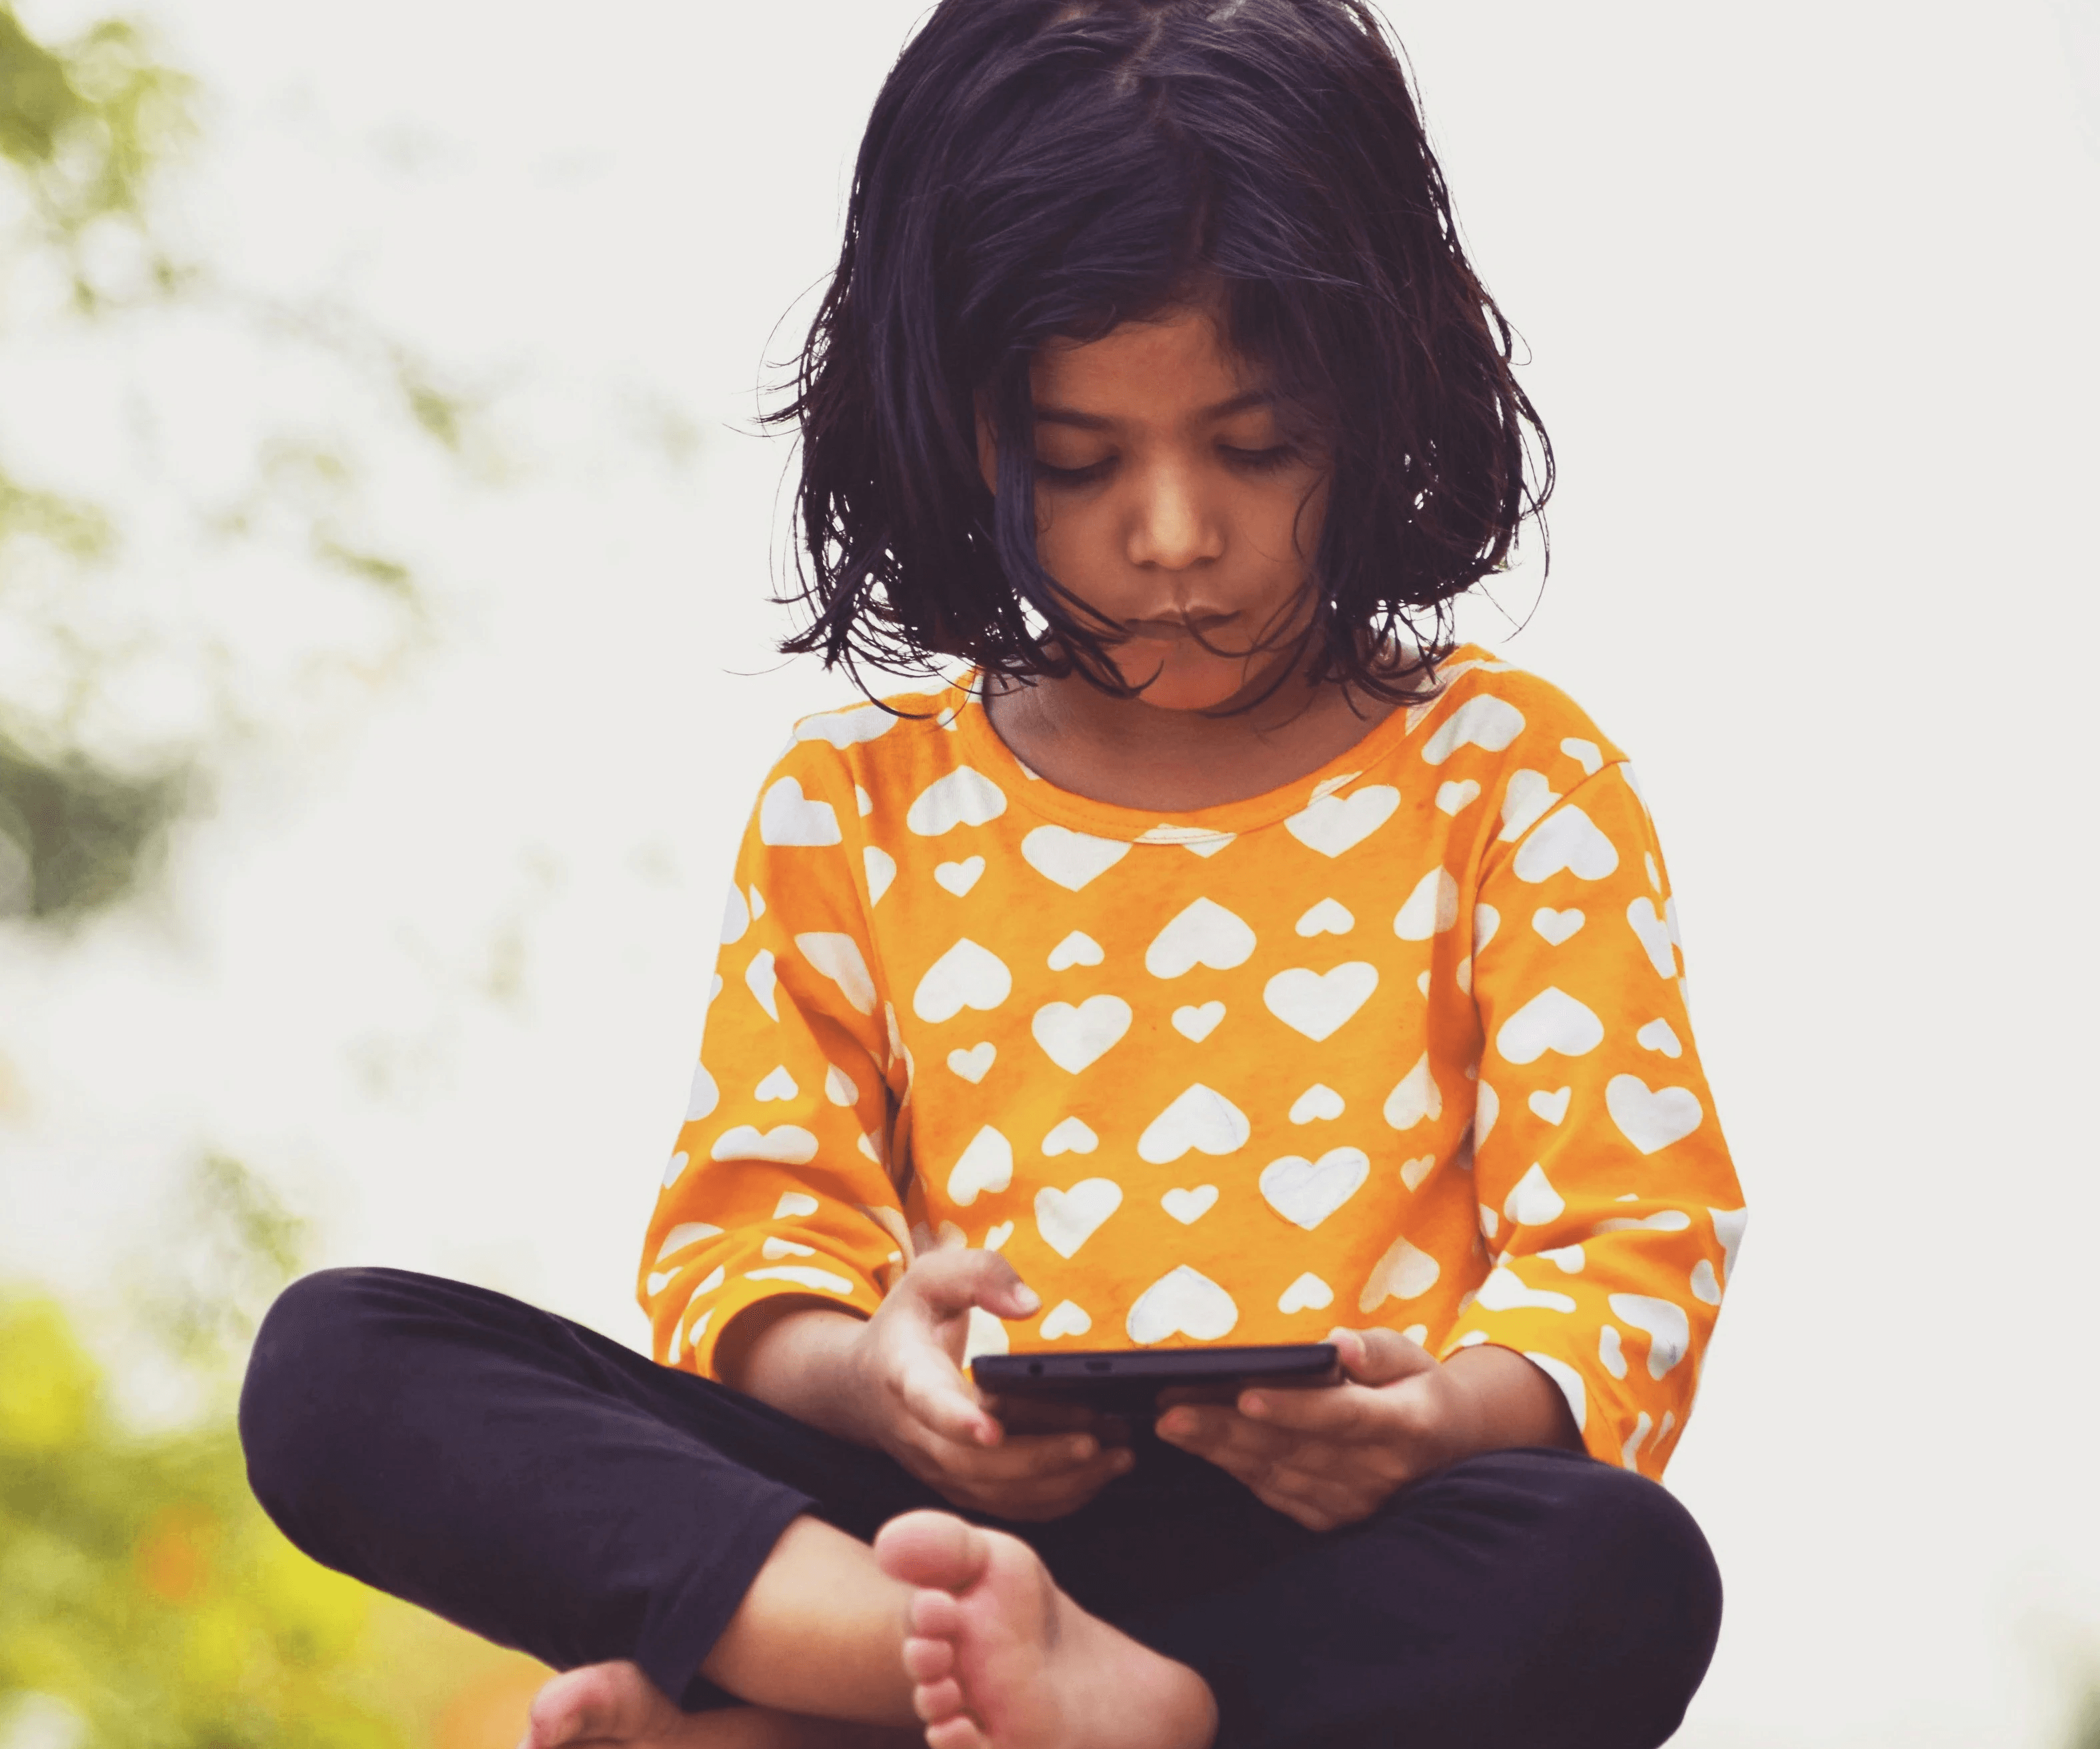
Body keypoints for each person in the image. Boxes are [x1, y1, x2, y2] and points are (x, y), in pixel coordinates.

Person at [239, 3, 1746, 1747]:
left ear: (1373, 395)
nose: (1172, 532)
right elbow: (756, 1240)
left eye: (1253, 447)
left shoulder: (1508, 774)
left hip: (1330, 1551)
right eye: (1080, 459)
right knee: (341, 1364)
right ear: (952, 429)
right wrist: (876, 1380)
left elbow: (1623, 1242)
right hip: (928, 1526)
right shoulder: (855, 798)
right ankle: (910, 1667)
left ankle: (895, 1716)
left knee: (1614, 1561)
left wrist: (1436, 1419)